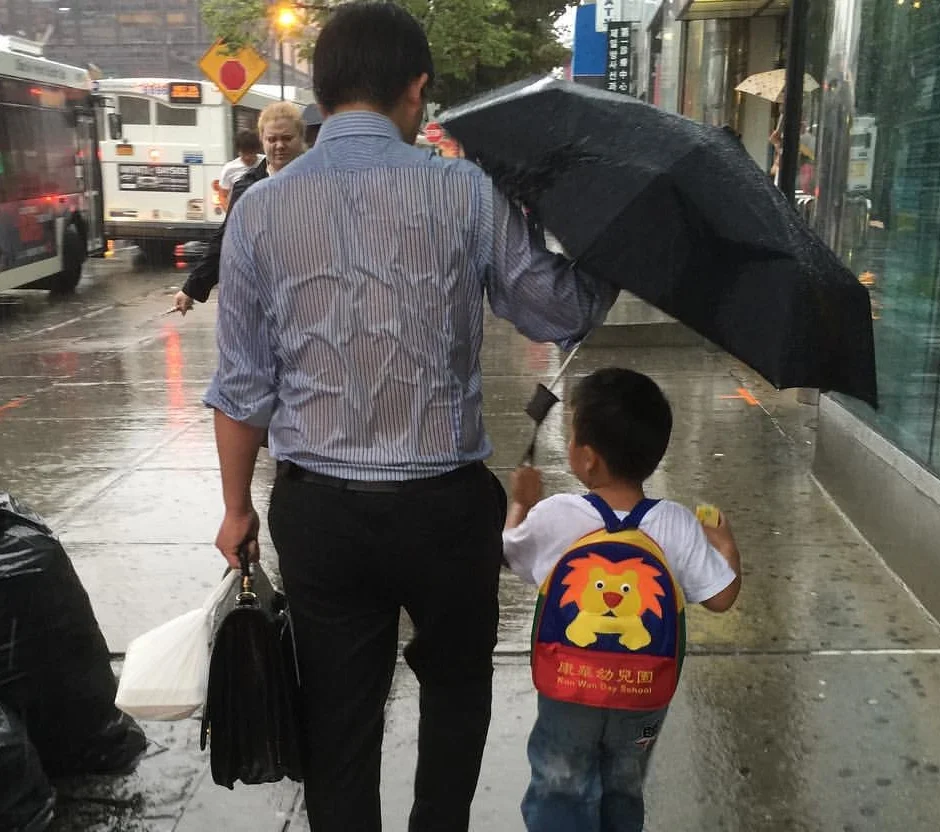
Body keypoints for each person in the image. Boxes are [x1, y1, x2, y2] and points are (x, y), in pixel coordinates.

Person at [203, 3, 619, 830]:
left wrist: (237, 506)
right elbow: (557, 311)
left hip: (319, 512)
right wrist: (595, 242)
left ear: (322, 93)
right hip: (444, 512)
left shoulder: (257, 210)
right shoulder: (466, 193)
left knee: (337, 716)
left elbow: (241, 386)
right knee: (457, 697)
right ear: (416, 89)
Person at [502, 368, 742, 832]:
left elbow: (509, 549)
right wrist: (727, 547)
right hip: (642, 693)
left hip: (570, 687)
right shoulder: (674, 523)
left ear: (587, 460)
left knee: (560, 783)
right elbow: (722, 597)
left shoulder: (557, 516)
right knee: (624, 786)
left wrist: (523, 503)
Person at [172, 102, 308, 315]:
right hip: (262, 298)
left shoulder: (319, 181)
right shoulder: (247, 187)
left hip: (310, 296)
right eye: (272, 139)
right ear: (263, 141)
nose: (279, 145)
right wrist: (192, 288)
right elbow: (226, 240)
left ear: (301, 138)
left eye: (287, 138)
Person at [217, 130, 264, 212]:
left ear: (257, 150)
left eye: (250, 153)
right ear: (238, 151)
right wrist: (230, 214)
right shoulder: (229, 169)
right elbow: (222, 196)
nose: (247, 157)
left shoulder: (267, 162)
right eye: (244, 153)